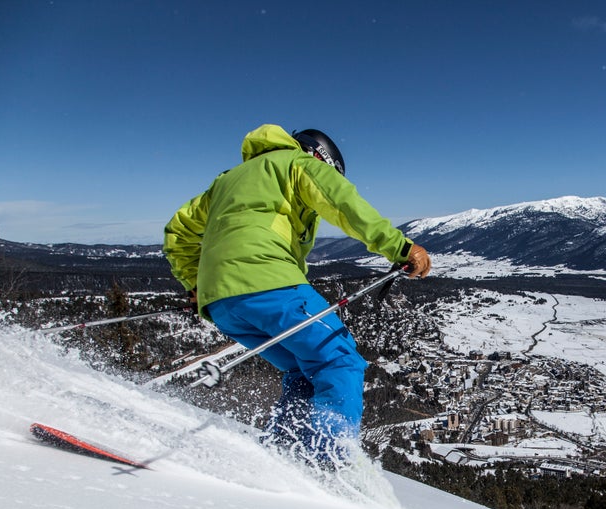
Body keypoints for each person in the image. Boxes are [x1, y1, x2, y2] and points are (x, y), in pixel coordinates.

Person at [163, 124, 430, 466]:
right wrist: (401, 247)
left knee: (302, 368)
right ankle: (326, 462)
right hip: (268, 283)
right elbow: (343, 204)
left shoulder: (225, 181)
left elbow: (177, 231)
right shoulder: (296, 163)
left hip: (220, 303)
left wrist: (195, 282)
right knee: (339, 361)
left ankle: (285, 454)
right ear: (319, 157)